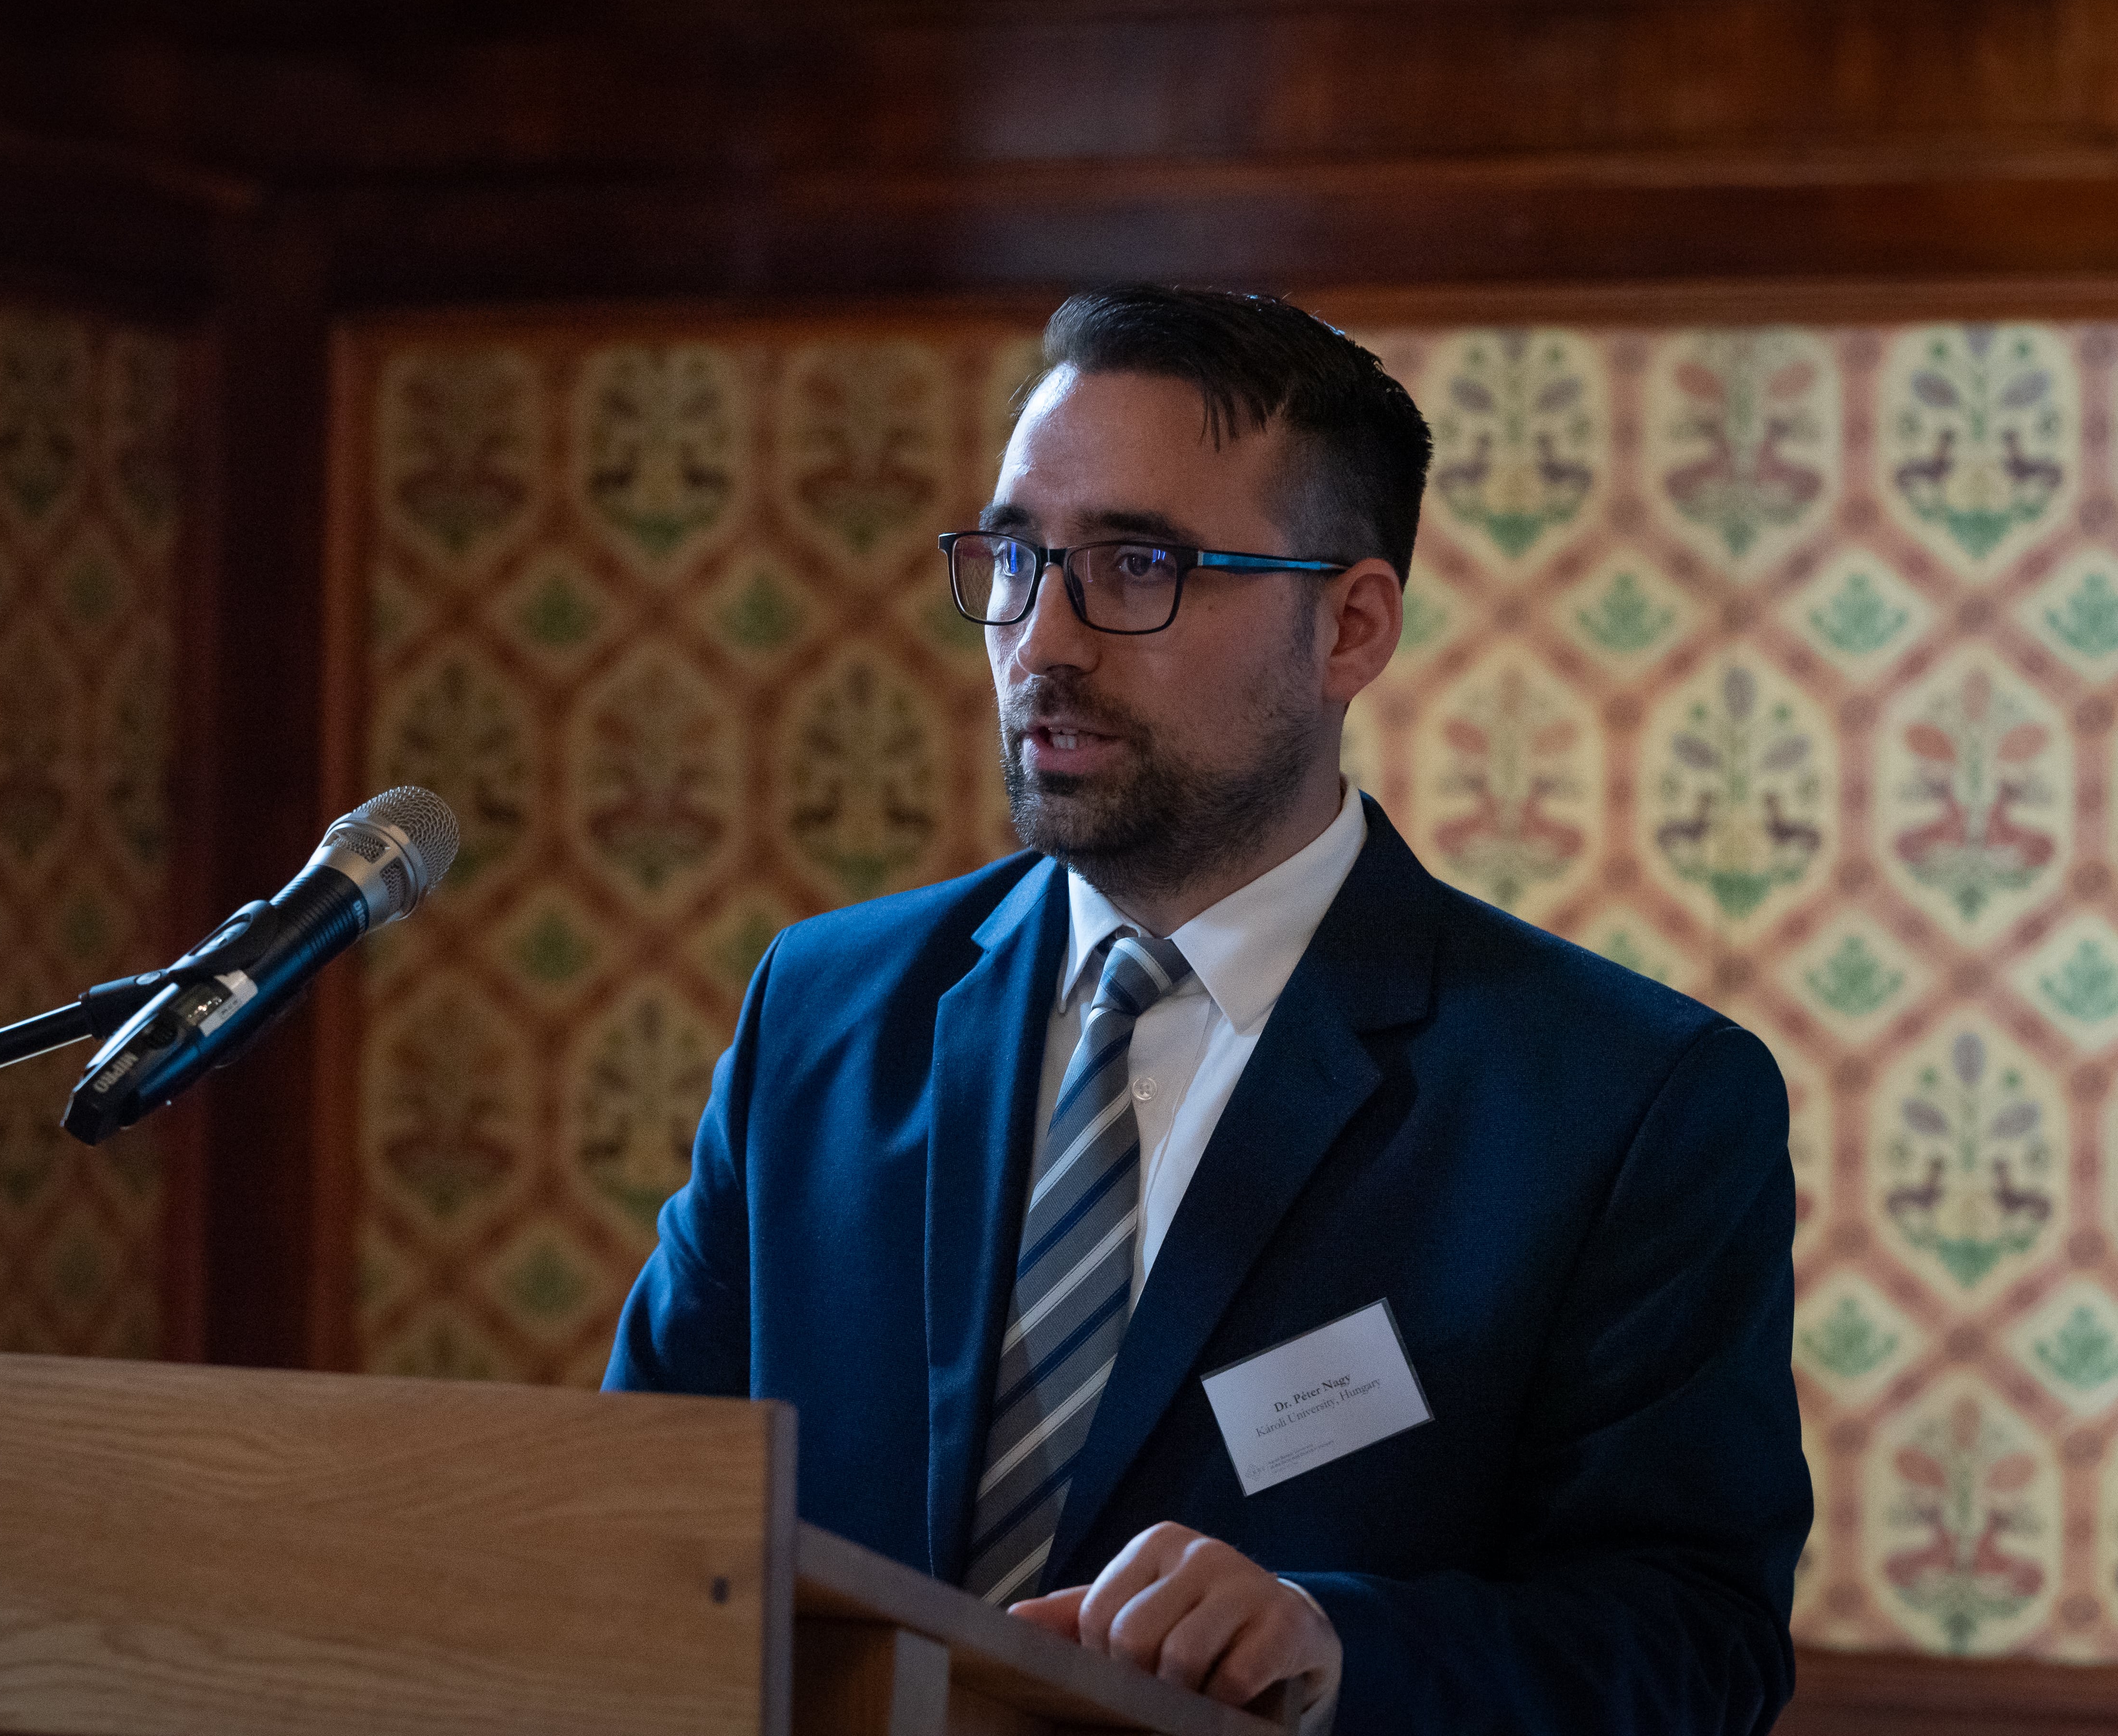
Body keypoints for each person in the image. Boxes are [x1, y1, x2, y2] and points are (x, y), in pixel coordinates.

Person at [605, 285, 1808, 1735]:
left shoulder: (1623, 1101)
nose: (1043, 639)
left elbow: (1694, 1646)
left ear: (1350, 629)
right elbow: (635, 1506)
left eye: (1137, 566)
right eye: (1015, 558)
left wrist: (1335, 1649)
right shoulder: (829, 1006)